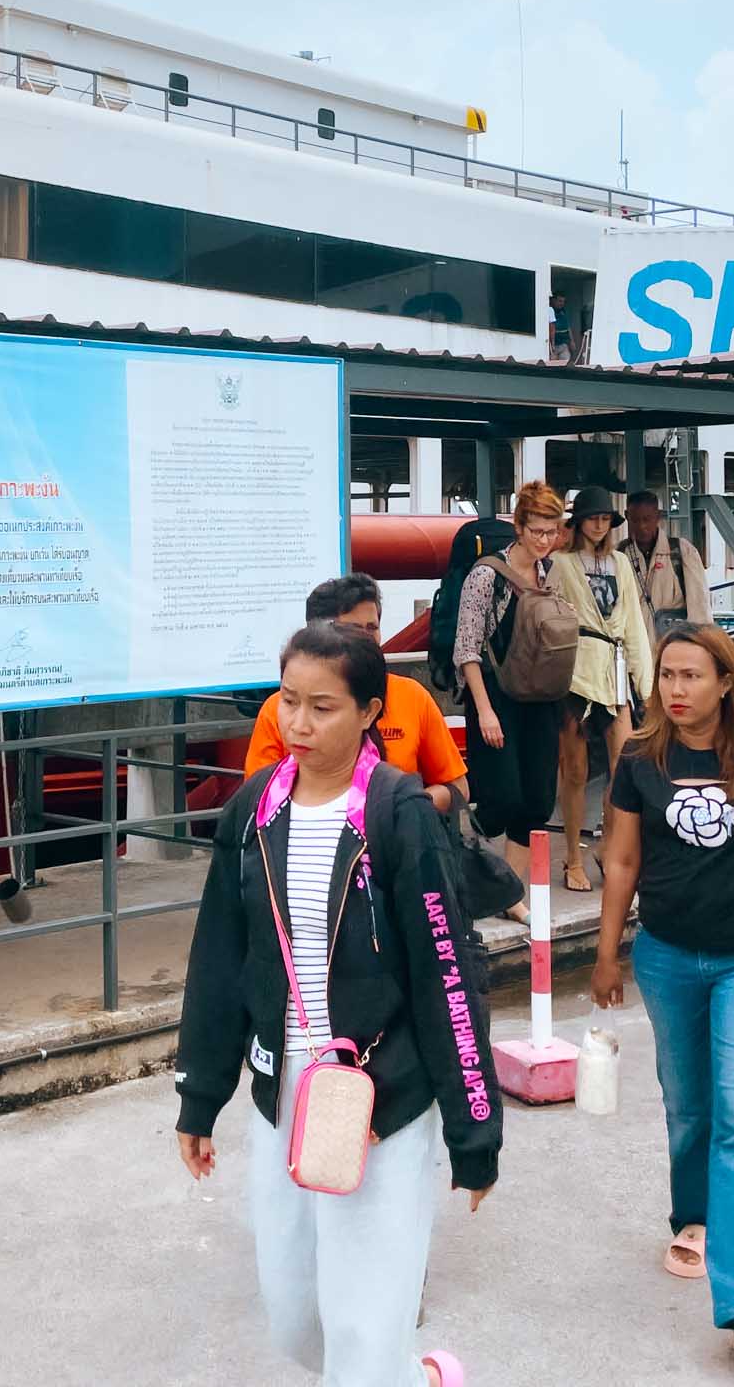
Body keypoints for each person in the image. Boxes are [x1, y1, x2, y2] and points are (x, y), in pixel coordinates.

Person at [176, 622, 498, 1387]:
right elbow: (219, 959)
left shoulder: (398, 813)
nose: (298, 724)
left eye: (322, 707)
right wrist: (200, 1095)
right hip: (285, 1089)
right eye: (288, 702)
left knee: (361, 1323)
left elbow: (445, 974)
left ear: (367, 713)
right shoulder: (254, 810)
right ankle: (411, 1378)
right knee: (296, 1320)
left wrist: (472, 1127)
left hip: (382, 1093)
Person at [591, 625, 734, 1361]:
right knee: (689, 1104)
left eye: (692, 676)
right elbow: (622, 861)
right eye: (666, 676)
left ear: (726, 682)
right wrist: (607, 954)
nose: (677, 690)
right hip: (664, 956)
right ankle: (693, 1217)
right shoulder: (640, 759)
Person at [242, 573, 470, 813]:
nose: (366, 639)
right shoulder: (277, 710)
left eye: (372, 628)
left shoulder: (411, 696)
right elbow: (257, 801)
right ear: (319, 635)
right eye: (352, 630)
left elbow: (457, 787)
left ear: (370, 711)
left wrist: (400, 811)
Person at [452, 478, 570, 884]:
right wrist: (484, 710)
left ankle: (511, 891)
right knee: (502, 797)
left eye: (552, 531)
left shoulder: (551, 572)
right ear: (518, 527)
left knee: (537, 800)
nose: (544, 539)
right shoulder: (486, 576)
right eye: (536, 530)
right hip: (497, 695)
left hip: (541, 695)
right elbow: (467, 646)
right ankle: (473, 861)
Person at [550, 486, 654, 894]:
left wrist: (645, 686)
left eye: (604, 518)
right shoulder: (560, 563)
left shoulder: (620, 563)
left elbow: (634, 625)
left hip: (614, 675)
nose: (598, 523)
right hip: (575, 675)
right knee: (574, 771)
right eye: (592, 517)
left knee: (623, 767)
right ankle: (572, 857)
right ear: (578, 522)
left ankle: (608, 846)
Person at [621, 487, 712, 645]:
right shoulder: (619, 555)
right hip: (633, 650)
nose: (642, 526)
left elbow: (700, 609)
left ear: (658, 516)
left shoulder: (682, 551)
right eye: (635, 520)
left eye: (647, 519)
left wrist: (701, 645)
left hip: (674, 647)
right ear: (626, 516)